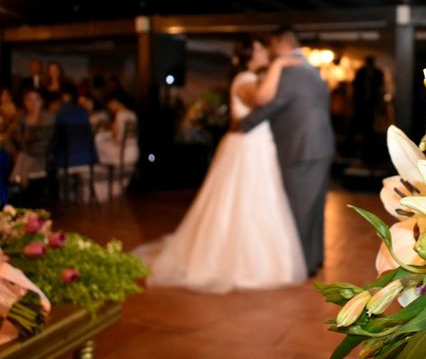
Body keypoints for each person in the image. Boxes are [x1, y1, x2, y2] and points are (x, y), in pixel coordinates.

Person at [137, 38, 306, 292]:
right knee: (242, 203)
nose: (266, 53)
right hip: (245, 150)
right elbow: (262, 98)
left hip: (258, 146)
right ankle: (237, 263)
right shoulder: (245, 80)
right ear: (249, 56)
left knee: (261, 202)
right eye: (260, 50)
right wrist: (280, 64)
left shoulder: (252, 78)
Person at [240, 26, 335, 276]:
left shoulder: (291, 69)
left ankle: (300, 265)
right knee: (313, 208)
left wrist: (243, 125)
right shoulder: (312, 69)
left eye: (271, 46)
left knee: (299, 209)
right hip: (319, 145)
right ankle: (314, 259)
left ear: (280, 43)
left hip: (300, 147)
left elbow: (273, 104)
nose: (271, 52)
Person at [10, 89, 54, 187]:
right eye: (29, 100)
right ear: (25, 102)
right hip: (22, 155)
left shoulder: (47, 118)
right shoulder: (21, 118)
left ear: (41, 101)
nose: (33, 103)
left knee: (23, 159)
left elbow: (43, 142)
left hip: (41, 156)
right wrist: (14, 151)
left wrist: (24, 147)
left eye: (36, 99)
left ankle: (18, 186)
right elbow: (13, 138)